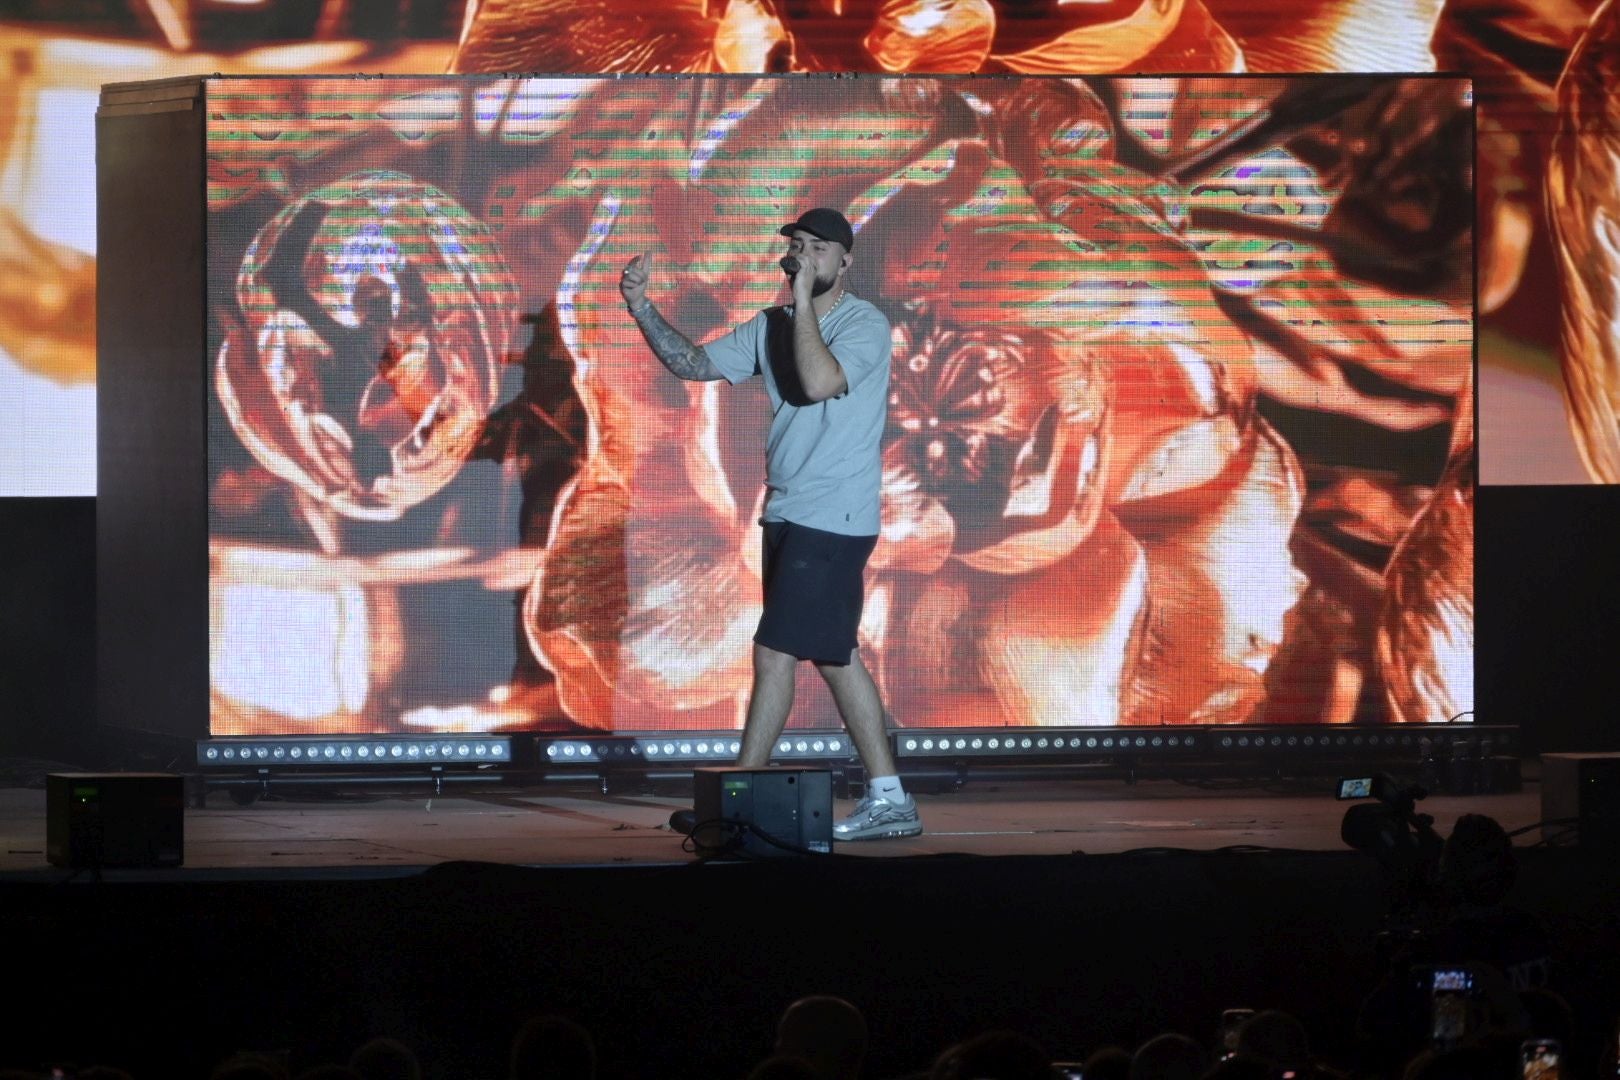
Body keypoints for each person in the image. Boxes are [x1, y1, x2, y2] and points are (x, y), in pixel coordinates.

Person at [620, 206, 920, 841]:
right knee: (834, 656)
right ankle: (889, 796)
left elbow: (817, 381)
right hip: (787, 509)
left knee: (776, 649)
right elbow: (693, 364)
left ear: (845, 261)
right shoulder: (770, 325)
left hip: (834, 516)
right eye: (797, 246)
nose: (804, 256)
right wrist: (641, 306)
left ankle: (739, 798)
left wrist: (802, 302)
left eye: (818, 248)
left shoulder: (864, 324)